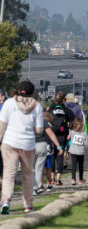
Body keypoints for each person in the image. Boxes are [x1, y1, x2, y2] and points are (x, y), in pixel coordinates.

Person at [0, 81, 44, 214]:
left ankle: (6, 201)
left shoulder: (9, 103)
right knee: (27, 175)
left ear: (18, 90)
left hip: (9, 143)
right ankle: (28, 204)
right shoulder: (36, 106)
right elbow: (39, 130)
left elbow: (2, 125)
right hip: (27, 144)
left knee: (9, 174)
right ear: (32, 92)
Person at [33, 111, 63, 195]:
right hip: (46, 148)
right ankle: (48, 184)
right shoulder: (48, 125)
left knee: (36, 168)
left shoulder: (31, 121)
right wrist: (58, 147)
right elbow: (52, 136)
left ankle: (38, 185)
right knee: (46, 168)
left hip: (33, 145)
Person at [48, 92, 75, 185]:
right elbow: (73, 120)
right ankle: (58, 179)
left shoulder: (51, 109)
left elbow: (47, 120)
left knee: (52, 156)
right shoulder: (66, 110)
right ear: (64, 100)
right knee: (60, 156)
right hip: (63, 134)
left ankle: (51, 178)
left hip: (52, 134)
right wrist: (69, 131)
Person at [68, 118, 88, 185]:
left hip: (73, 151)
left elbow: (68, 138)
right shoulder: (84, 134)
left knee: (73, 166)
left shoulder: (72, 132)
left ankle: (73, 179)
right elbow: (86, 143)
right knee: (80, 166)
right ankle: (81, 179)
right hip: (80, 152)